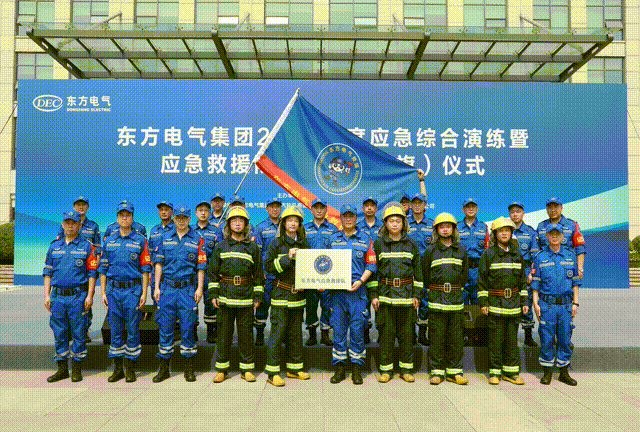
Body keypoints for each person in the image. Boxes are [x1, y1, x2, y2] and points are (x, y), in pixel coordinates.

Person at [208, 206, 264, 383]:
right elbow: (213, 273)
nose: (238, 223)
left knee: (246, 335)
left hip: (246, 297)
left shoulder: (253, 248)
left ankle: (246, 369)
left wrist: (258, 296)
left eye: (241, 221)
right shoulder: (220, 247)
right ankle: (222, 370)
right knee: (223, 335)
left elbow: (258, 274)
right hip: (225, 297)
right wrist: (214, 294)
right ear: (229, 225)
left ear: (246, 225)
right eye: (234, 220)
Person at [152, 205, 206, 383]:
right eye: (178, 218)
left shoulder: (197, 239)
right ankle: (164, 369)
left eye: (185, 218)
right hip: (167, 289)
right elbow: (158, 264)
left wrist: (199, 288)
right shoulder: (164, 237)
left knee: (188, 328)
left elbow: (201, 266)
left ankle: (189, 369)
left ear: (190, 219)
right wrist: (157, 287)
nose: (181, 221)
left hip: (187, 290)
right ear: (174, 219)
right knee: (165, 328)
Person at [99, 202, 151, 382]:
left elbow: (145, 269)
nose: (124, 218)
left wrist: (144, 293)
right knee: (115, 329)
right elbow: (103, 269)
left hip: (132, 291)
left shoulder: (140, 240)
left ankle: (130, 368)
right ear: (117, 218)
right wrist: (103, 292)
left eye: (128, 215)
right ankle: (118, 369)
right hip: (113, 291)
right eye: (121, 215)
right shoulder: (109, 241)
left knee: (132, 329)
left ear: (132, 217)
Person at [371, 203, 423, 383]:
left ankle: (406, 370)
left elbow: (418, 272)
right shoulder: (378, 244)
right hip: (385, 297)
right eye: (391, 221)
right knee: (385, 336)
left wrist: (417, 295)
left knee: (407, 336)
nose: (394, 224)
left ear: (403, 223)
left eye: (398, 221)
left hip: (407, 297)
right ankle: (386, 370)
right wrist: (374, 295)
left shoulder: (412, 243)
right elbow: (373, 272)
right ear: (385, 224)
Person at [44, 210, 98, 382]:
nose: (70, 226)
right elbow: (47, 273)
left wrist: (90, 296)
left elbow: (92, 273)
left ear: (79, 225)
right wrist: (46, 295)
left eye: (73, 223)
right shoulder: (54, 246)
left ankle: (76, 369)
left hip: (77, 297)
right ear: (62, 225)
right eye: (67, 223)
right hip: (57, 297)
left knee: (78, 332)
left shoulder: (87, 246)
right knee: (59, 332)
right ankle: (62, 369)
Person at [327, 204, 376, 385]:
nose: (348, 219)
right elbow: (323, 264)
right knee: (338, 331)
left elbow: (371, 264)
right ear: (340, 218)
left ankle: (356, 368)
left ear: (356, 218)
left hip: (358, 292)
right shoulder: (332, 239)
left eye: (351, 216)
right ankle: (340, 368)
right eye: (345, 216)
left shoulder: (365, 239)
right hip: (337, 294)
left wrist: (361, 281)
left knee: (357, 331)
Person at [479, 217, 529, 385]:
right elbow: (482, 281)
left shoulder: (517, 254)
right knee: (495, 341)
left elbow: (522, 281)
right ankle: (495, 372)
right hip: (495, 304)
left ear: (511, 233)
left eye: (507, 230)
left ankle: (511, 373)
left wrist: (525, 302)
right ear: (495, 234)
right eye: (501, 231)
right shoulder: (488, 254)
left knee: (511, 342)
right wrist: (484, 303)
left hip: (514, 305)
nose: (504, 233)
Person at [264, 206, 310, 387]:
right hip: (281, 295)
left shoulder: (305, 244)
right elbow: (268, 267)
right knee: (277, 334)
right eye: (289, 220)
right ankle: (273, 372)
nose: (292, 223)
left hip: (298, 296)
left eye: (296, 220)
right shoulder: (276, 243)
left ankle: (294, 369)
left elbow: (310, 269)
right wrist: (287, 258)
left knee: (295, 335)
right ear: (283, 223)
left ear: (300, 224)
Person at [531, 223, 581, 386]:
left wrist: (575, 303)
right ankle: (547, 372)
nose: (554, 236)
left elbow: (575, 283)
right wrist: (535, 304)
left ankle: (564, 373)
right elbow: (535, 284)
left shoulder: (570, 256)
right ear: (546, 236)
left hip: (566, 306)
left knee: (565, 338)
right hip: (547, 305)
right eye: (551, 234)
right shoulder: (540, 257)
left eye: (557, 234)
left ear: (562, 236)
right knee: (546, 338)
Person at [421, 212, 468, 385]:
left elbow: (464, 275)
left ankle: (455, 372)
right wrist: (435, 291)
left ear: (454, 229)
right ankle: (437, 372)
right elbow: (425, 275)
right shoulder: (430, 251)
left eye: (448, 226)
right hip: (437, 300)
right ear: (436, 230)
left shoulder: (461, 250)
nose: (445, 229)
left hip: (455, 301)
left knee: (456, 338)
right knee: (437, 337)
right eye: (442, 227)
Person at [57, 196, 101, 343]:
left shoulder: (93, 226)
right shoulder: (65, 224)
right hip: (70, 268)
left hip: (86, 271)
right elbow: (60, 246)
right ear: (73, 206)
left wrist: (94, 268)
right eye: (78, 205)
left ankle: (84, 329)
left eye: (83, 205)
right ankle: (69, 330)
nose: (81, 207)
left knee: (86, 300)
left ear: (88, 207)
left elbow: (97, 250)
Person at [303, 198, 337, 346]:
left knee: (327, 306)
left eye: (321, 207)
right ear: (311, 209)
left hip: (327, 273)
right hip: (309, 274)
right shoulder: (304, 228)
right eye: (316, 207)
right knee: (310, 305)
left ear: (326, 209)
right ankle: (312, 335)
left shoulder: (333, 229)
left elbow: (337, 252)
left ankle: (325, 334)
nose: (318, 210)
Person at [508, 202, 540, 347]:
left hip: (525, 271)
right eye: (512, 212)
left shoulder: (530, 232)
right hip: (508, 271)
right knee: (510, 303)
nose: (515, 214)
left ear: (523, 213)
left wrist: (531, 273)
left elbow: (535, 257)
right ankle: (510, 336)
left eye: (518, 211)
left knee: (526, 302)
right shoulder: (504, 229)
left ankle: (528, 336)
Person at [192, 199, 223, 343]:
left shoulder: (216, 231)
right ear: (196, 213)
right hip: (194, 272)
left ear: (210, 213)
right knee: (192, 302)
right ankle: (193, 330)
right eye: (200, 211)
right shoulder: (190, 230)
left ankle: (211, 331)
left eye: (206, 211)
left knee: (211, 302)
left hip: (210, 272)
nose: (203, 213)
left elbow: (219, 253)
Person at [254, 197, 282, 346]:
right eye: (272, 207)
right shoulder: (261, 227)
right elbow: (257, 253)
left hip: (283, 275)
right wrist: (260, 272)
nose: (275, 209)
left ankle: (280, 335)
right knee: (263, 305)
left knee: (281, 307)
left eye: (277, 206)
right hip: (267, 274)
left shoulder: (286, 225)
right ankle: (259, 333)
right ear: (267, 209)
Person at [536, 197, 585, 280]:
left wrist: (580, 268)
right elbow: (536, 250)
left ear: (561, 208)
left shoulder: (572, 225)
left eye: (556, 207)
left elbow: (580, 248)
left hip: (566, 269)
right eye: (550, 207)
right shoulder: (541, 226)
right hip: (546, 270)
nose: (553, 210)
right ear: (546, 209)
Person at [408, 192, 434, 346]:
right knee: (409, 300)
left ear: (425, 205)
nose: (417, 205)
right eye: (415, 202)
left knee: (425, 300)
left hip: (426, 268)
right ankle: (410, 332)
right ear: (411, 205)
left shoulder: (432, 224)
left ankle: (423, 333)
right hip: (407, 268)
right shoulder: (404, 223)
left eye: (420, 203)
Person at [356, 196, 382, 345]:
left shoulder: (383, 226)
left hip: (381, 270)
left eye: (372, 205)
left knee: (380, 302)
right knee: (363, 303)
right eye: (367, 205)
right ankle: (365, 332)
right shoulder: (358, 226)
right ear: (363, 208)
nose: (370, 208)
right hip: (363, 270)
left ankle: (381, 332)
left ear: (376, 208)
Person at [458, 198, 488, 305]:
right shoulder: (456, 227)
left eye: (473, 207)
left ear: (477, 209)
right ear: (463, 209)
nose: (470, 209)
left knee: (478, 302)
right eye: (468, 207)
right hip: (461, 270)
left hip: (478, 270)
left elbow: (487, 250)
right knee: (461, 301)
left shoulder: (484, 227)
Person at [148, 201, 175, 306]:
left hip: (171, 271)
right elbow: (150, 252)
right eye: (161, 210)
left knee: (171, 304)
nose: (163, 212)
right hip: (155, 271)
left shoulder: (177, 228)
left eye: (166, 210)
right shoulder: (154, 230)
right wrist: (149, 272)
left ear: (172, 212)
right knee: (157, 301)